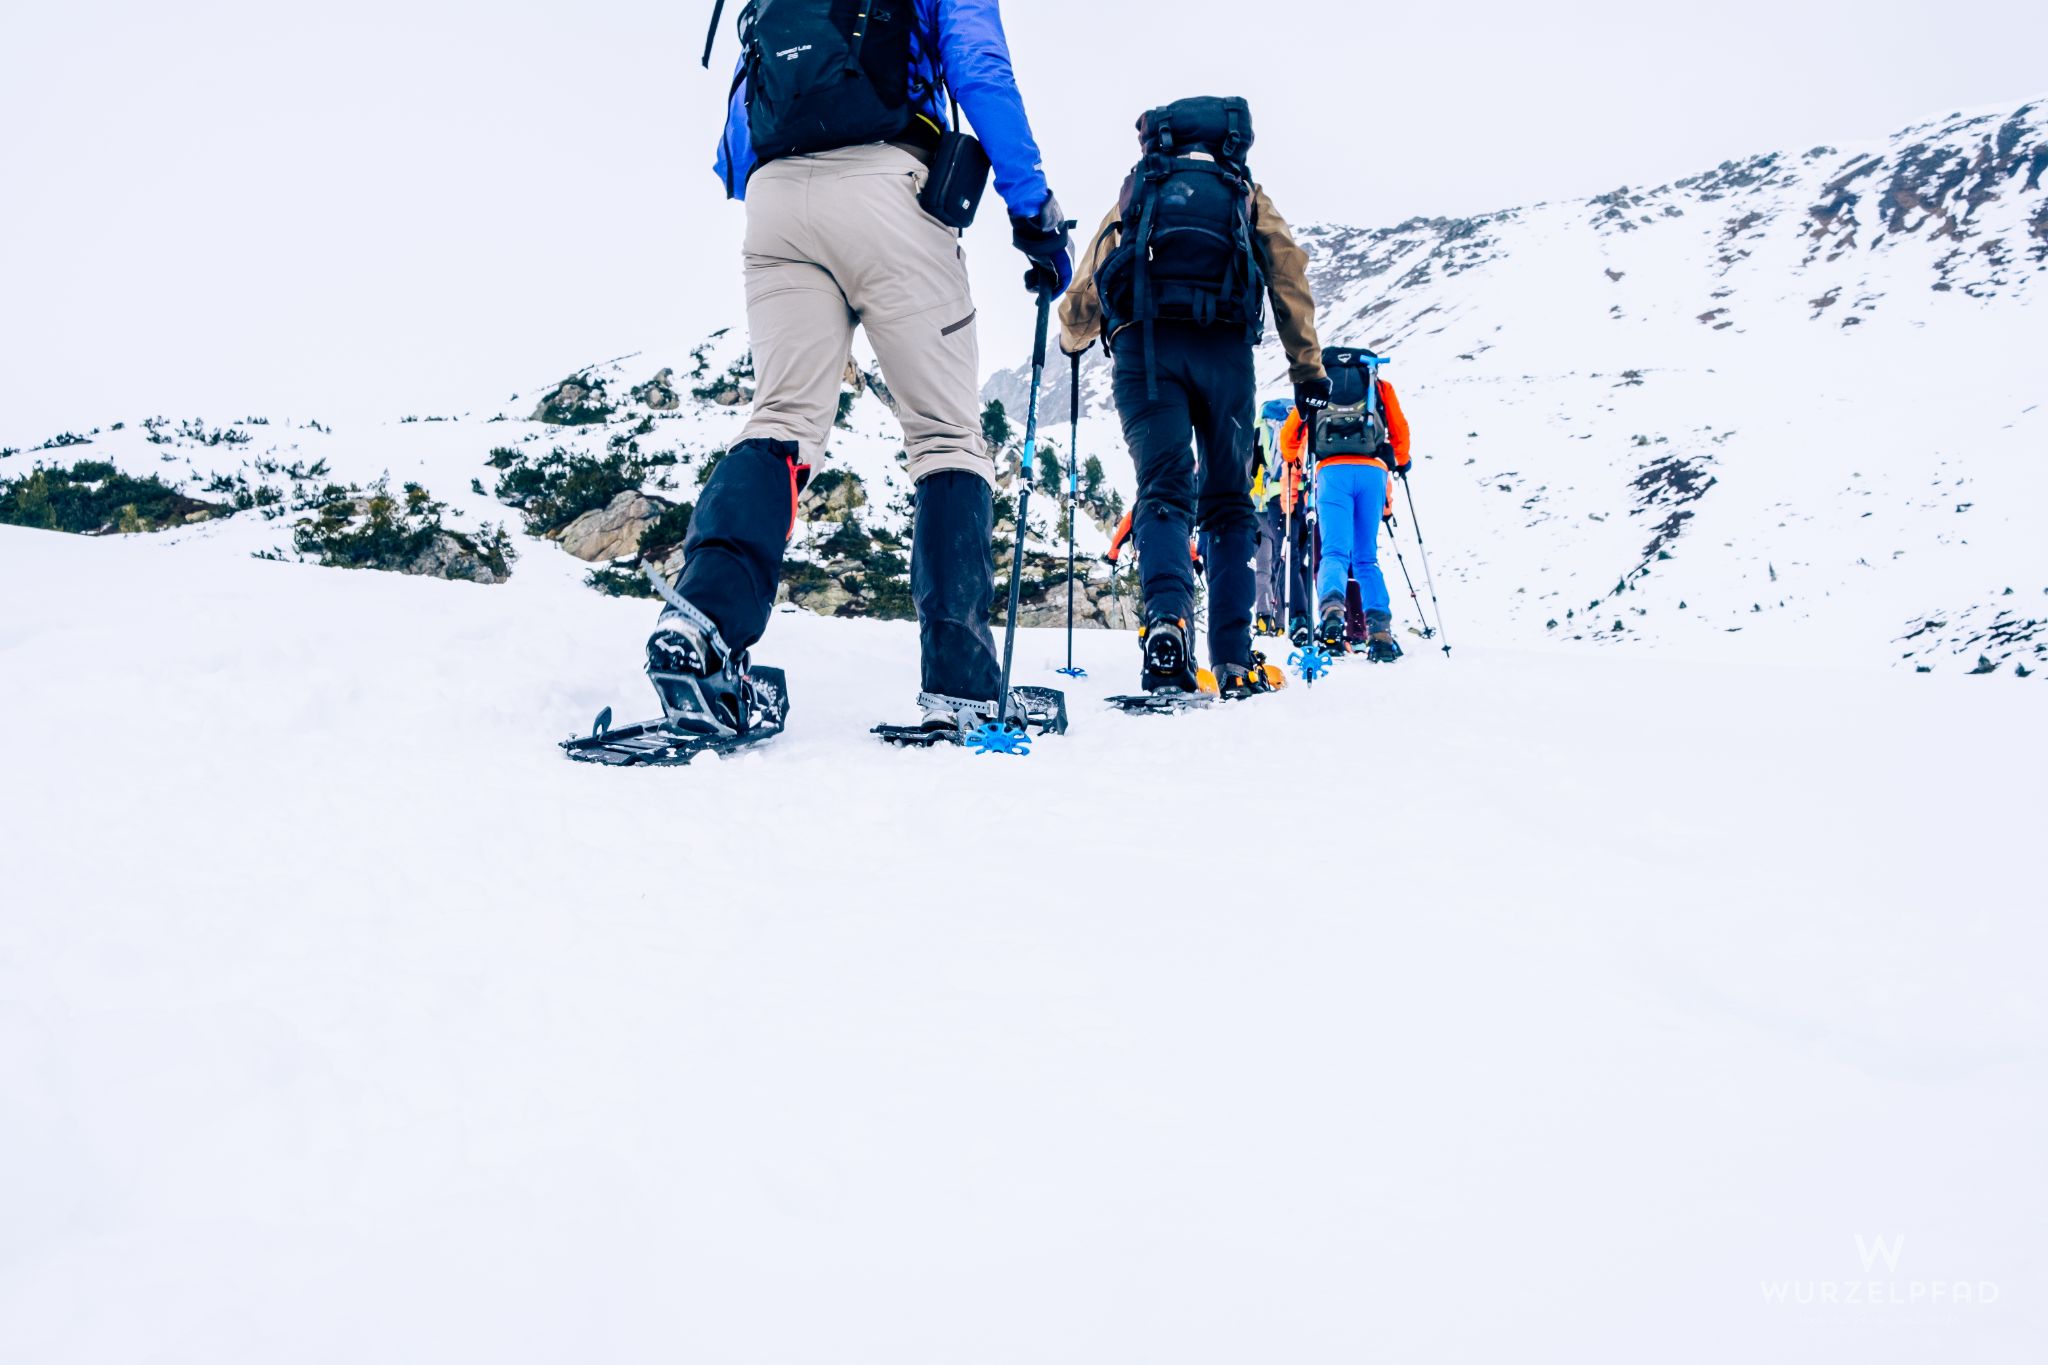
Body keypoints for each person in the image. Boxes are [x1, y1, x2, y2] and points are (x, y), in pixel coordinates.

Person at [649, 0, 1075, 736]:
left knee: (782, 420)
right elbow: (979, 69)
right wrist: (1032, 211)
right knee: (945, 437)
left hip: (775, 196)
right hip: (889, 183)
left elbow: (740, 126)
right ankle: (961, 685)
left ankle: (703, 625)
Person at [1058, 96, 1326, 700]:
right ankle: (1232, 661)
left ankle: (1167, 625)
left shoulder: (1141, 190)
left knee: (1163, 491)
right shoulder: (1244, 193)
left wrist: (1074, 337)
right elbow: (1287, 275)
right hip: (1225, 357)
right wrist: (1306, 369)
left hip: (1146, 354)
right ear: (1235, 140)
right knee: (1229, 502)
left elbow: (1089, 283)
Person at [1277, 346, 1411, 662]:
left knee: (1335, 553)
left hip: (1331, 472)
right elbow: (1399, 428)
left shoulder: (1320, 386)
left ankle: (1332, 619)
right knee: (1366, 559)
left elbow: (1289, 436)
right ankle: (1379, 634)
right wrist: (1402, 462)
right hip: (1372, 472)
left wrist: (1292, 460)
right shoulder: (1377, 384)